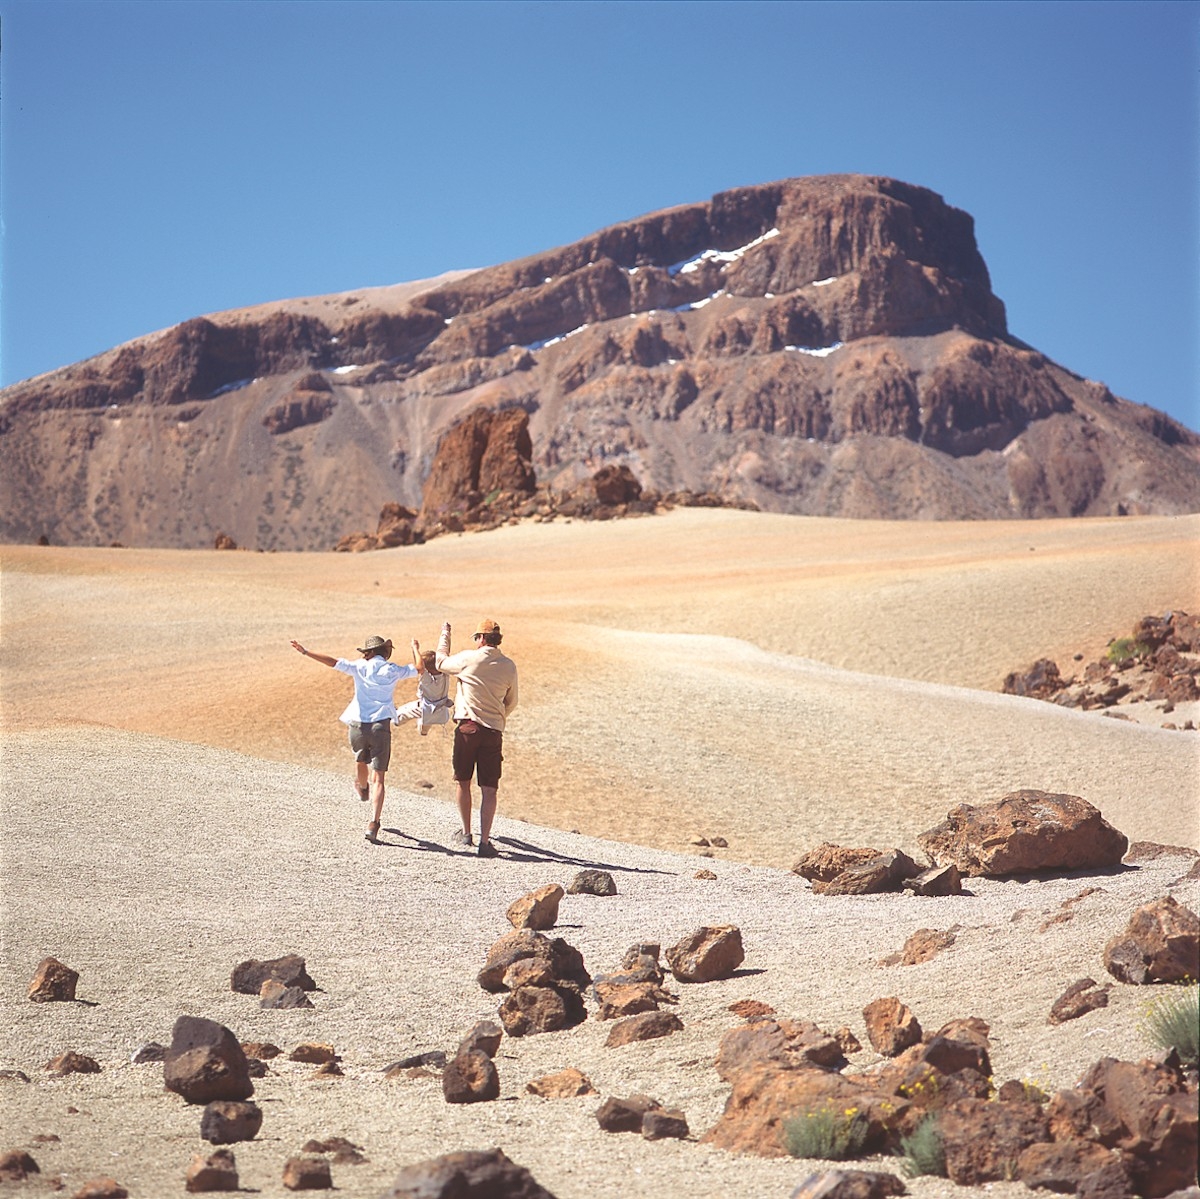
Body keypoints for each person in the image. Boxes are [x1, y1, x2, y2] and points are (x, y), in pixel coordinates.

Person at [289, 634, 417, 843]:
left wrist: (305, 651)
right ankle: (374, 822)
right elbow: (418, 669)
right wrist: (415, 648)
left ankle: (363, 787)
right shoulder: (392, 669)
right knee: (380, 778)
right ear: (384, 652)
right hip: (380, 725)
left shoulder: (359, 667)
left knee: (360, 759)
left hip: (357, 724)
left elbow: (333, 662)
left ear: (369, 652)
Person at [436, 618, 518, 858]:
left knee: (463, 781)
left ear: (481, 638)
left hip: (468, 727)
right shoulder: (508, 666)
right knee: (489, 788)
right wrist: (499, 717)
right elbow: (512, 701)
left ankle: (466, 832)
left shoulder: (468, 659)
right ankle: (485, 841)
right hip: (493, 731)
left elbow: (440, 662)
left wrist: (444, 635)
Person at [394, 645, 452, 735]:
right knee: (427, 723)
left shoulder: (428, 680)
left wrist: (414, 648)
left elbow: (419, 667)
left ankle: (395, 719)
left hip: (425, 708)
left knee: (402, 713)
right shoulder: (445, 674)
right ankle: (424, 731)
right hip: (441, 710)